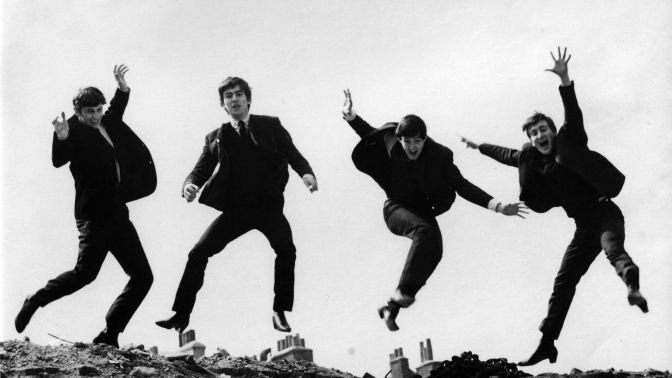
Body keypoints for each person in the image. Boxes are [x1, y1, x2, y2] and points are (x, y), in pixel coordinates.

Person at [460, 47, 648, 366]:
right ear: (532, 140)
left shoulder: (569, 141)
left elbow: (572, 113)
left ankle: (632, 286)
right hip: (582, 226)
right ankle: (547, 343)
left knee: (613, 248)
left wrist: (564, 80)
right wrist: (479, 147)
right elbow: (508, 155)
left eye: (543, 129)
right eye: (534, 134)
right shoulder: (533, 161)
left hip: (605, 213)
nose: (539, 135)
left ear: (551, 130)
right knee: (563, 282)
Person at [341, 89, 527, 331]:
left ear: (425, 139)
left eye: (417, 141)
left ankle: (392, 307)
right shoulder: (390, 143)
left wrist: (498, 206)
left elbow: (462, 185)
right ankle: (401, 294)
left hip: (422, 210)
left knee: (435, 250)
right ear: (399, 140)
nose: (412, 147)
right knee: (424, 234)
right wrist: (351, 115)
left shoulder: (439, 155)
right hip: (395, 208)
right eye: (407, 142)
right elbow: (368, 133)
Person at [156, 77, 317, 334]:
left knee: (286, 248)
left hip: (268, 207)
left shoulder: (270, 125)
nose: (234, 99)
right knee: (198, 253)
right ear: (223, 104)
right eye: (228, 96)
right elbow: (200, 170)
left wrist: (306, 174)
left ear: (248, 99)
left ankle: (279, 311)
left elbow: (292, 152)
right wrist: (189, 186)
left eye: (238, 94)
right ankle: (181, 313)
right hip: (236, 211)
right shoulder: (216, 137)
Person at [15, 65, 157, 348]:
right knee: (85, 275)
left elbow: (117, 108)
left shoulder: (107, 121)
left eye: (98, 110)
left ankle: (110, 334)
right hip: (93, 217)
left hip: (118, 213)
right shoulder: (75, 131)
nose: (95, 117)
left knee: (143, 277)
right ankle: (35, 300)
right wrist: (63, 136)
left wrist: (122, 88)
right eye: (89, 112)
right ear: (78, 112)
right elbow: (59, 159)